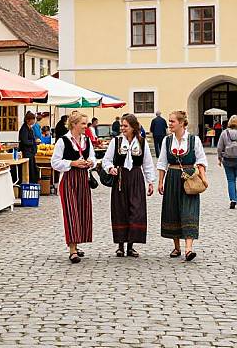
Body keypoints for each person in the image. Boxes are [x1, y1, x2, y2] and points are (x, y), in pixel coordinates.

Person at [157, 110, 208, 261]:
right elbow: (162, 163)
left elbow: (201, 161)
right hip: (172, 178)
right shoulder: (167, 140)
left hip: (189, 179)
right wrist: (160, 181)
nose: (169, 124)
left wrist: (203, 179)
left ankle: (188, 249)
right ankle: (177, 247)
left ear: (181, 123)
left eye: (172, 121)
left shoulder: (194, 140)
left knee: (189, 211)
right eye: (169, 121)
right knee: (172, 210)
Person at [102, 114, 155, 257]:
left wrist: (150, 182)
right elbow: (106, 160)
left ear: (133, 127)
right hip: (120, 177)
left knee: (136, 210)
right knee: (121, 209)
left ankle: (131, 245)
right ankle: (120, 245)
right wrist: (110, 168)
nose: (122, 128)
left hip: (136, 177)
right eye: (122, 125)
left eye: (125, 126)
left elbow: (147, 163)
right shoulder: (116, 141)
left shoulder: (142, 142)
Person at [51, 112, 95, 264]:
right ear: (74, 124)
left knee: (82, 212)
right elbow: (55, 162)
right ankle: (72, 250)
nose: (86, 126)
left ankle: (76, 244)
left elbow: (93, 158)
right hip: (69, 180)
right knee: (71, 213)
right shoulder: (63, 141)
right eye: (83, 123)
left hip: (83, 179)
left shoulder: (87, 140)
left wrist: (91, 162)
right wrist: (72, 163)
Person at [217, 114, 237, 209]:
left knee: (231, 180)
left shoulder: (225, 133)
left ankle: (233, 199)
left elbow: (219, 147)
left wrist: (219, 158)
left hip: (228, 159)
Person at [19, 111, 39, 183]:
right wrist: (33, 142)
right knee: (29, 169)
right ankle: (29, 183)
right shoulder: (24, 129)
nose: (34, 121)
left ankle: (32, 182)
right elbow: (24, 141)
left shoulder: (29, 128)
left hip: (30, 152)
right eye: (32, 119)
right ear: (28, 120)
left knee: (32, 169)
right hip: (27, 152)